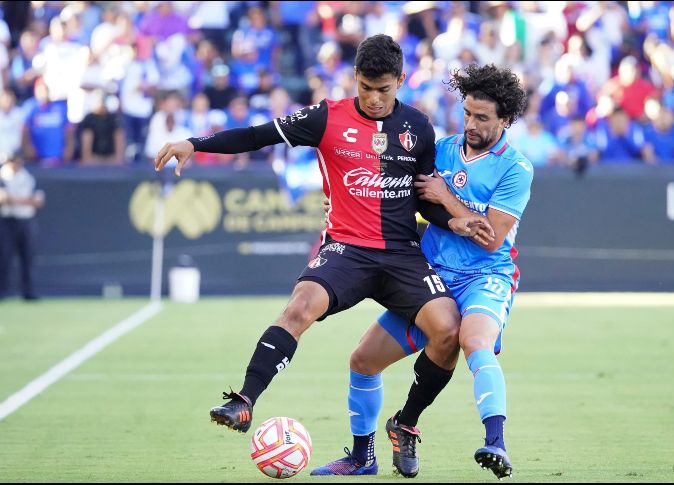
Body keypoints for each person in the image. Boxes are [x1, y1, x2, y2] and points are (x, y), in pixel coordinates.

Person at [153, 35, 493, 476]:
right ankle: (244, 401)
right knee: (300, 306)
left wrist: (454, 219)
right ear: (355, 79)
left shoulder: (419, 128)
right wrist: (195, 144)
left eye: (383, 89)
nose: (373, 98)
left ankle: (405, 424)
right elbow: (258, 135)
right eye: (365, 87)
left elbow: (424, 196)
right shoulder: (325, 116)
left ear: (401, 82)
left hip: (401, 254)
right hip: (346, 249)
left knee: (448, 331)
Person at [310, 64, 532, 480]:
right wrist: (347, 208)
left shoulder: (515, 169)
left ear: (505, 120)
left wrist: (446, 197)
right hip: (430, 277)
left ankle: (495, 442)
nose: (471, 123)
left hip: (486, 277)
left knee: (473, 339)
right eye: (467, 113)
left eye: (482, 118)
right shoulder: (441, 149)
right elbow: (391, 203)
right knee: (362, 361)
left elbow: (490, 239)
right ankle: (364, 456)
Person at [0, 151, 45, 301]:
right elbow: (2, 199)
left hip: (26, 220)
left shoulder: (28, 177)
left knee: (28, 257)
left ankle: (29, 291)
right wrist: (26, 200)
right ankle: (3, 291)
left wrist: (14, 200)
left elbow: (38, 201)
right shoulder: (2, 176)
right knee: (4, 257)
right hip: (7, 221)